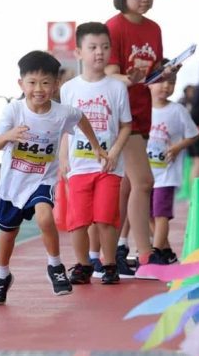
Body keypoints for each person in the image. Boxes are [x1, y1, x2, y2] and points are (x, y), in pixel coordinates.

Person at [0, 50, 107, 304]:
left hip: (42, 180)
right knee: (8, 234)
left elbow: (81, 118)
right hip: (13, 183)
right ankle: (1, 276)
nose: (38, 89)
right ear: (21, 84)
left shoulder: (62, 113)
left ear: (56, 85)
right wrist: (9, 136)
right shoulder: (14, 111)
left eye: (45, 82)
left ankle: (55, 266)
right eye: (32, 83)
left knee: (44, 215)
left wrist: (95, 146)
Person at [105, 0, 179, 277]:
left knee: (127, 186)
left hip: (142, 111)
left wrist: (165, 73)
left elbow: (153, 71)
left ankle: (115, 251)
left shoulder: (154, 28)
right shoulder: (114, 27)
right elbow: (109, 75)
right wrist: (130, 78)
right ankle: (145, 253)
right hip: (121, 116)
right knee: (144, 182)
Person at [58, 22, 132, 285]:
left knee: (105, 218)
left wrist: (113, 152)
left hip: (108, 168)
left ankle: (109, 264)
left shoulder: (116, 88)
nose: (99, 52)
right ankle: (83, 265)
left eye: (104, 47)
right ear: (79, 52)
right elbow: (66, 128)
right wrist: (63, 159)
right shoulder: (69, 89)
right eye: (92, 47)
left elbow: (125, 126)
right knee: (78, 221)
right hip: (79, 167)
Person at [148, 60, 199, 263]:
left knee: (161, 215)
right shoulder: (141, 109)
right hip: (145, 174)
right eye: (160, 81)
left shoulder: (177, 110)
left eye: (171, 82)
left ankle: (155, 252)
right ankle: (165, 250)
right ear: (149, 82)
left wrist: (178, 147)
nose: (166, 86)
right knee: (146, 215)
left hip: (167, 174)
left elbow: (193, 134)